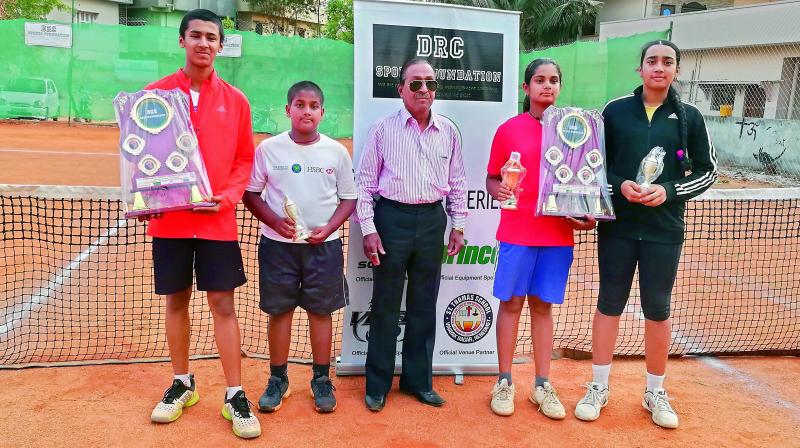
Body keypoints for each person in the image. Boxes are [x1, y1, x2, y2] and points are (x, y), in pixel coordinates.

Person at [574, 40, 717, 429]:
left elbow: (707, 171)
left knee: (657, 307)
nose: (659, 67)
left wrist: (667, 191)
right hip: (618, 227)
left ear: (676, 70)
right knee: (609, 303)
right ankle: (598, 386)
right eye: (652, 61)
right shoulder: (615, 111)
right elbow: (593, 164)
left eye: (667, 61)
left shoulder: (690, 117)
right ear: (640, 69)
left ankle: (655, 391)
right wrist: (619, 187)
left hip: (664, 230)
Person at [145, 9, 261, 439]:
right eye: (196, 35)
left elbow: (244, 159)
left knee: (223, 305)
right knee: (176, 301)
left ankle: (234, 394)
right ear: (182, 41)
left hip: (218, 223)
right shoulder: (153, 97)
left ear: (221, 46)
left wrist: (227, 198)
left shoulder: (237, 101)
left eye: (212, 37)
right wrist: (153, 197)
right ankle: (182, 383)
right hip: (170, 223)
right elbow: (143, 160)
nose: (204, 44)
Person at [486, 58, 596, 418]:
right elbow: (492, 177)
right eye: (539, 80)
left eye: (553, 80)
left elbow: (585, 182)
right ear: (526, 88)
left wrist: (586, 215)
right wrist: (498, 190)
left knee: (543, 307)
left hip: (557, 235)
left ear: (560, 87)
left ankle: (541, 384)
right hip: (518, 231)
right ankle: (504, 380)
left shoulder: (575, 130)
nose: (546, 86)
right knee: (512, 304)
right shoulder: (508, 129)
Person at [356, 58, 467, 412]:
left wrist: (458, 224)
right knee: (386, 305)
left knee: (423, 305)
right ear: (400, 89)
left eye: (430, 83)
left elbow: (459, 182)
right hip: (392, 220)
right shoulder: (382, 130)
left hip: (433, 221)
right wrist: (369, 229)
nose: (424, 90)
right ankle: (377, 386)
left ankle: (418, 382)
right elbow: (365, 185)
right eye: (416, 83)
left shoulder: (448, 130)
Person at [243, 81, 357, 414]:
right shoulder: (268, 149)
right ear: (288, 109)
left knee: (320, 312)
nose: (306, 111)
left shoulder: (336, 152)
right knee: (280, 312)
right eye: (299, 104)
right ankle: (278, 379)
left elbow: (349, 198)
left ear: (322, 113)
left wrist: (330, 228)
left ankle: (321, 379)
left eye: (313, 106)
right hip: (278, 247)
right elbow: (250, 193)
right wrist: (275, 222)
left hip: (324, 247)